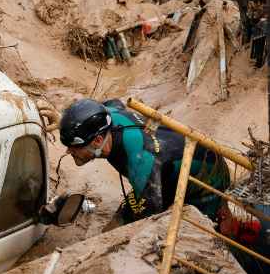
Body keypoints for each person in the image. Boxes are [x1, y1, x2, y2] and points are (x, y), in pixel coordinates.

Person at [57, 98, 230, 228]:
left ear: (97, 141)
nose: (68, 151)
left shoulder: (139, 160)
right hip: (165, 167)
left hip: (207, 182)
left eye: (73, 146)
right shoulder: (108, 114)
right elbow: (113, 102)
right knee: (118, 222)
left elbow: (150, 214)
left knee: (205, 231)